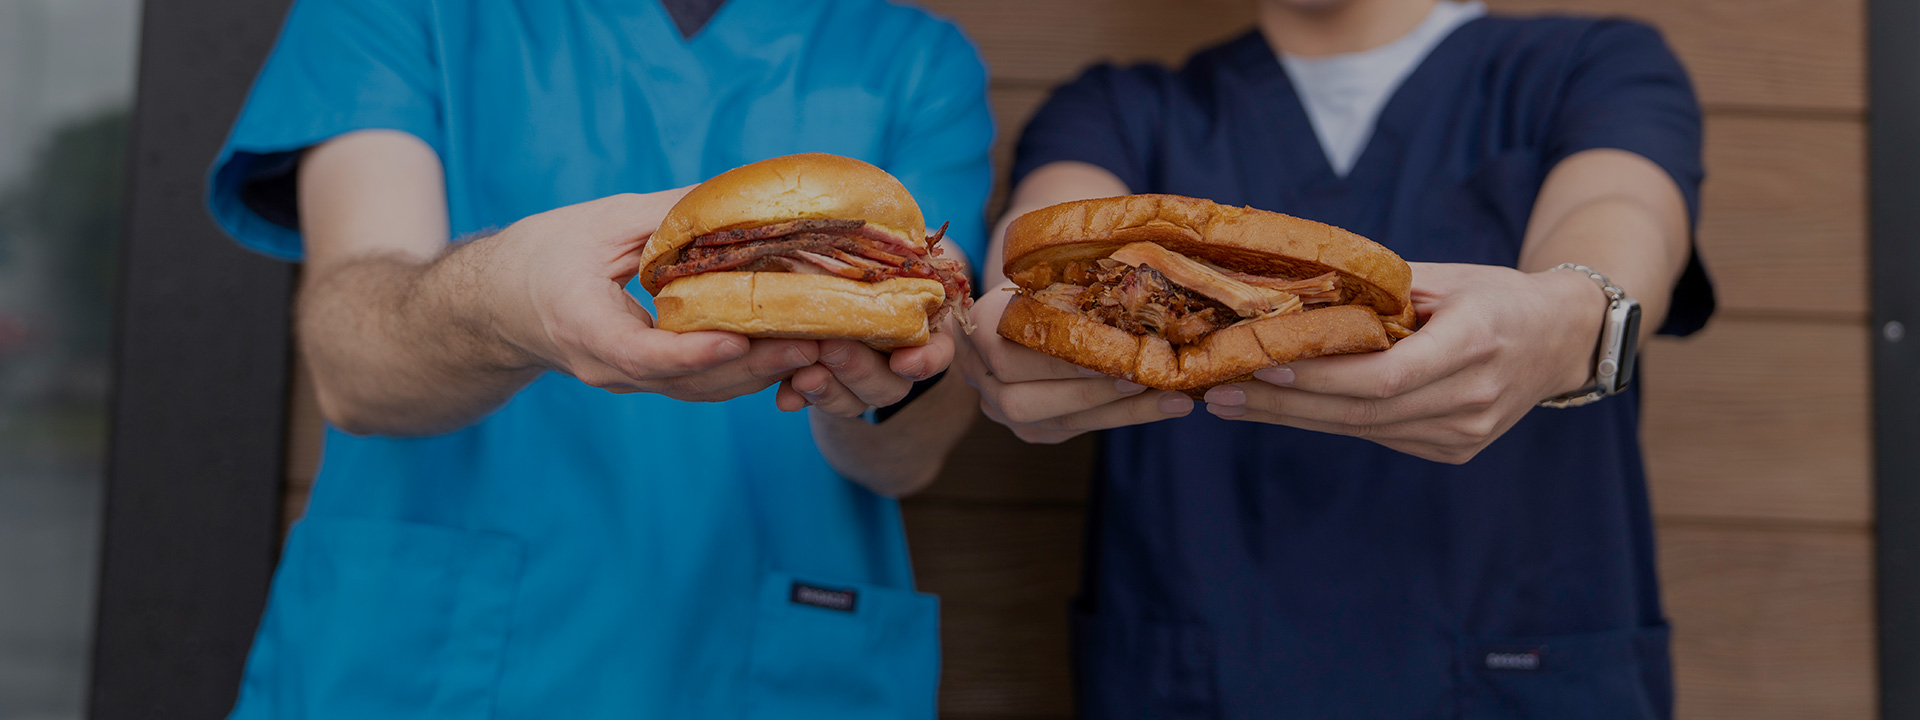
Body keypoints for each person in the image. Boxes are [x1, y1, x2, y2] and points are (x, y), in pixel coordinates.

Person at [205, 0, 990, 717]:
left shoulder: (921, 62)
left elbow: (910, 453)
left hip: (774, 665)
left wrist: (881, 383)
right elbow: (352, 360)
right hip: (417, 665)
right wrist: (501, 301)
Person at [957, 0, 1711, 717]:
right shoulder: (1115, 108)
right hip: (1197, 667)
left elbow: (1619, 215)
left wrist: (1573, 316)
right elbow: (1036, 244)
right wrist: (1004, 334)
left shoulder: (1593, 64)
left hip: (1515, 658)